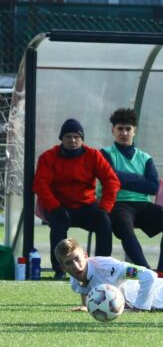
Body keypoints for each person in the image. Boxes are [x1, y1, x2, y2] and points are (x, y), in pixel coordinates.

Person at [33, 119, 120, 280]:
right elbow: (40, 185)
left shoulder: (94, 155)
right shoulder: (48, 157)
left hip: (86, 204)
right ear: (61, 138)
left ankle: (101, 268)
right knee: (59, 224)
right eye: (68, 137)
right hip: (59, 206)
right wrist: (54, 207)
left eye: (76, 137)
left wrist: (104, 208)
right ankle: (60, 269)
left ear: (82, 139)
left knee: (104, 221)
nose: (72, 140)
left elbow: (112, 182)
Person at [99, 108, 163, 279]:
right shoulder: (104, 154)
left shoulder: (145, 158)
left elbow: (153, 187)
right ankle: (146, 272)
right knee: (123, 225)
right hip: (118, 203)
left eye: (128, 129)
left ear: (134, 131)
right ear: (112, 130)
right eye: (120, 128)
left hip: (143, 205)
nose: (124, 133)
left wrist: (121, 179)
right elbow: (110, 178)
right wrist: (138, 179)